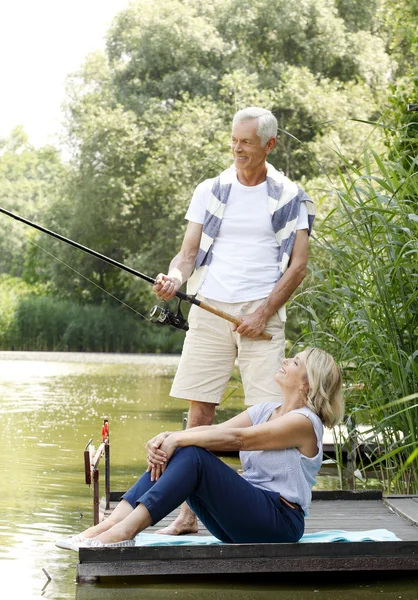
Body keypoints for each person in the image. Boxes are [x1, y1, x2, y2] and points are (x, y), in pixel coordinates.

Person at [152, 106, 316, 534]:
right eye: (234, 140)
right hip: (210, 307)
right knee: (199, 409)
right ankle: (189, 513)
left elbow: (298, 266)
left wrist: (263, 313)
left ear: (269, 144)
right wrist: (175, 277)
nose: (237, 148)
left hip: (262, 312)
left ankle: (264, 502)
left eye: (246, 141)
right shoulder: (210, 189)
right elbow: (187, 253)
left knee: (267, 414)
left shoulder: (290, 195)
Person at [55, 348, 344, 550]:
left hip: (279, 522)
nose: (284, 361)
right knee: (183, 449)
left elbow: (239, 439)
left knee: (192, 453)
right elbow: (214, 431)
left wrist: (180, 440)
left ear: (308, 384)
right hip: (243, 523)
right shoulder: (267, 410)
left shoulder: (305, 422)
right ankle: (108, 527)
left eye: (294, 362)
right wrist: (166, 437)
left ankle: (124, 532)